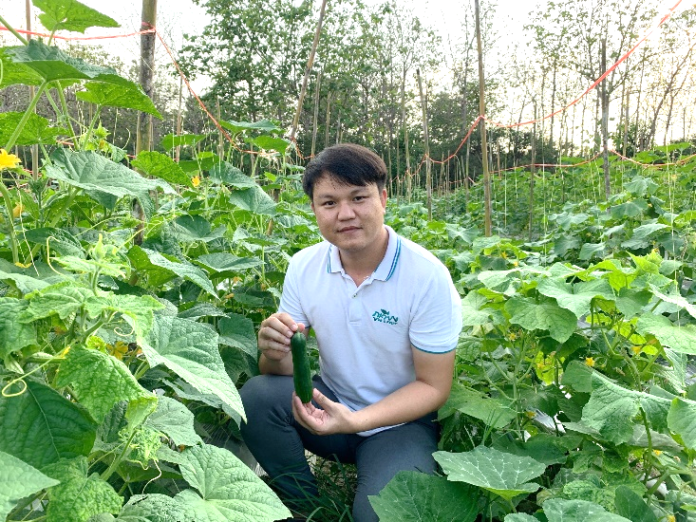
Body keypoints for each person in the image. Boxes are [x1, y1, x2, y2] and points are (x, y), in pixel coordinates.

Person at [239, 143, 462, 522]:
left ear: (383, 199)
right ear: (314, 209)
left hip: (401, 424)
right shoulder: (304, 266)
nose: (345, 214)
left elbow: (433, 387)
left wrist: (357, 421)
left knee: (379, 515)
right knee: (256, 397)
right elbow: (275, 373)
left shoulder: (426, 276)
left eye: (359, 197)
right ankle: (304, 505)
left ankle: (384, 467)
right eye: (329, 203)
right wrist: (273, 350)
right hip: (331, 406)